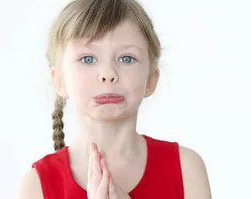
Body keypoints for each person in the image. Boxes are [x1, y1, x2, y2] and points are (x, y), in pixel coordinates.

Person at [17, 0, 211, 198]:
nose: (108, 73)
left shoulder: (186, 169)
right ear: (59, 81)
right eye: (87, 59)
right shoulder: (36, 186)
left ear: (151, 79)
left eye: (126, 58)